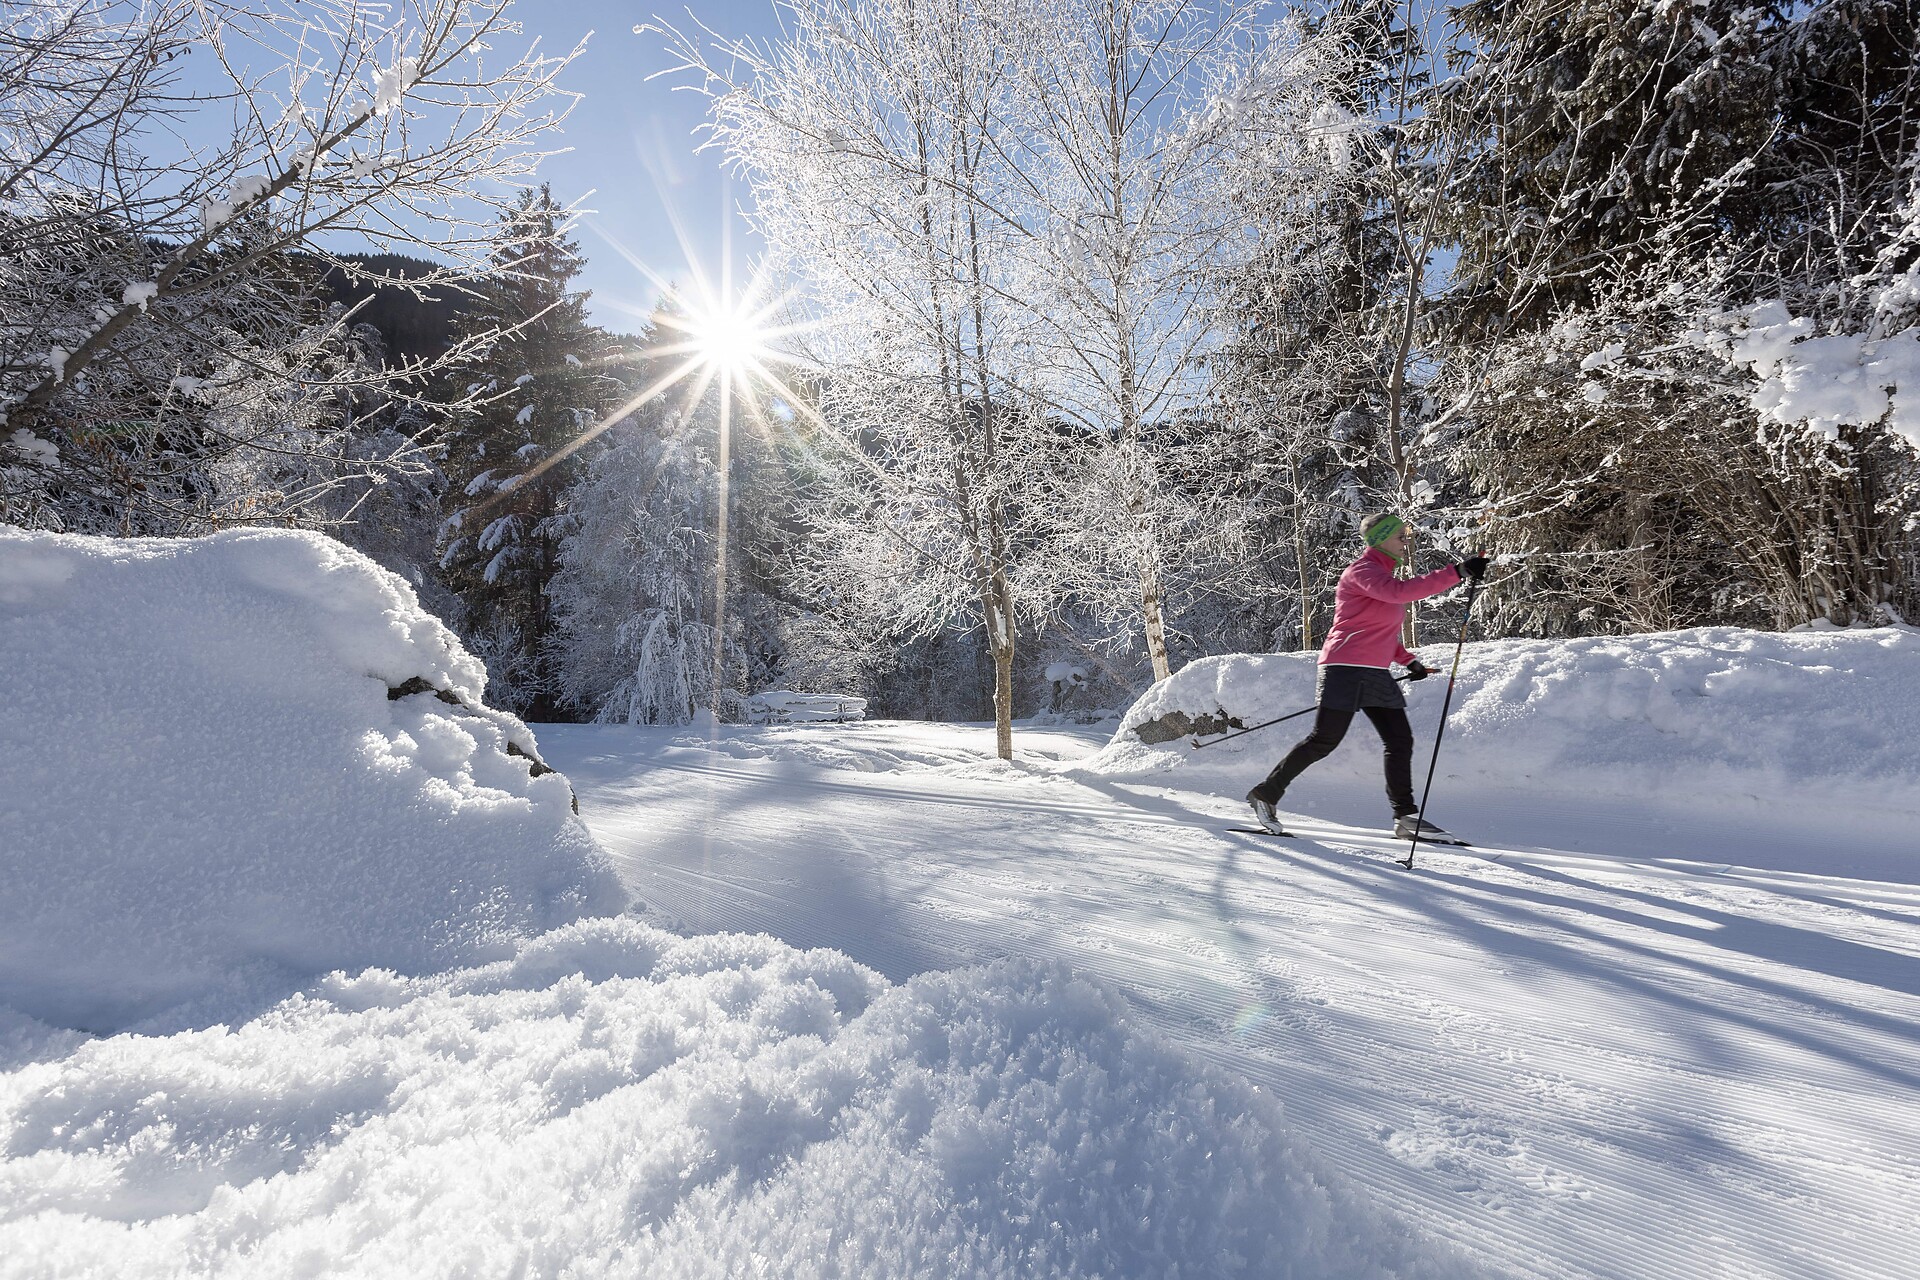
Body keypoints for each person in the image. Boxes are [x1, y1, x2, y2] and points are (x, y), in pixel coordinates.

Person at [1247, 513, 1487, 839]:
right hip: (1344, 668)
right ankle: (1266, 793)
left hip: (1374, 672)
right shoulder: (1362, 572)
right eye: (1400, 536)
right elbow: (1399, 594)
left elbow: (1380, 631)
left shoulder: (1383, 576)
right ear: (1380, 539)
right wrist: (1455, 572)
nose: (1406, 542)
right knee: (1324, 741)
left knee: (1400, 740)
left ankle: (1405, 817)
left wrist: (1408, 661)